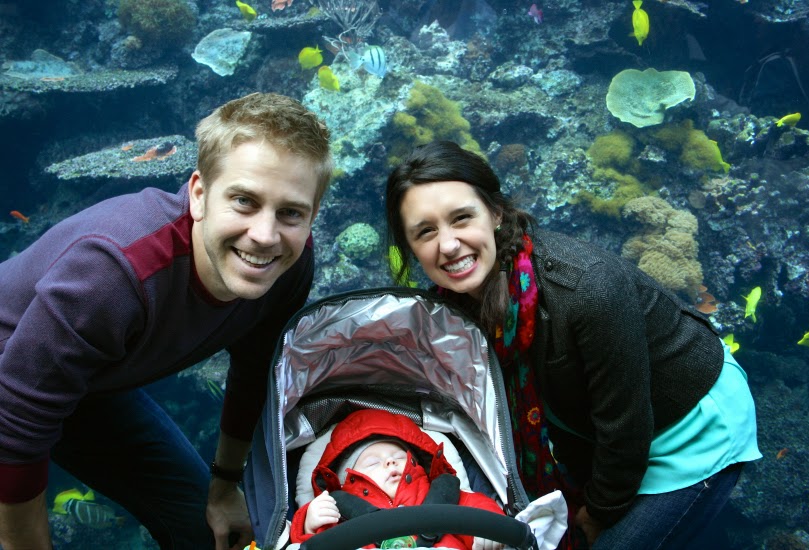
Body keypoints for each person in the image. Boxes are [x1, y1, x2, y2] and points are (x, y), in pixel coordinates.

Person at [384, 141, 762, 549]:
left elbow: (625, 426)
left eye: (462, 218)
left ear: (495, 213)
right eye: (426, 232)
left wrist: (598, 511)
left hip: (689, 426)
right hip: (600, 433)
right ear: (409, 247)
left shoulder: (586, 289)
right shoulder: (450, 310)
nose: (449, 245)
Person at [0, 92, 333, 550]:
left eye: (291, 212)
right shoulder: (113, 272)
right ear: (198, 194)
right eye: (243, 201)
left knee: (207, 532)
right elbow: (15, 427)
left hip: (87, 390)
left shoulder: (289, 265)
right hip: (11, 391)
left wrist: (223, 489)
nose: (265, 235)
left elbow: (256, 370)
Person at [290, 408, 506, 550]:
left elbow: (476, 508)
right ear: (348, 480)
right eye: (374, 463)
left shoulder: (441, 495)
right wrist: (308, 525)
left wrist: (490, 528)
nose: (390, 463)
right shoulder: (339, 513)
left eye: (399, 457)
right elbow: (316, 545)